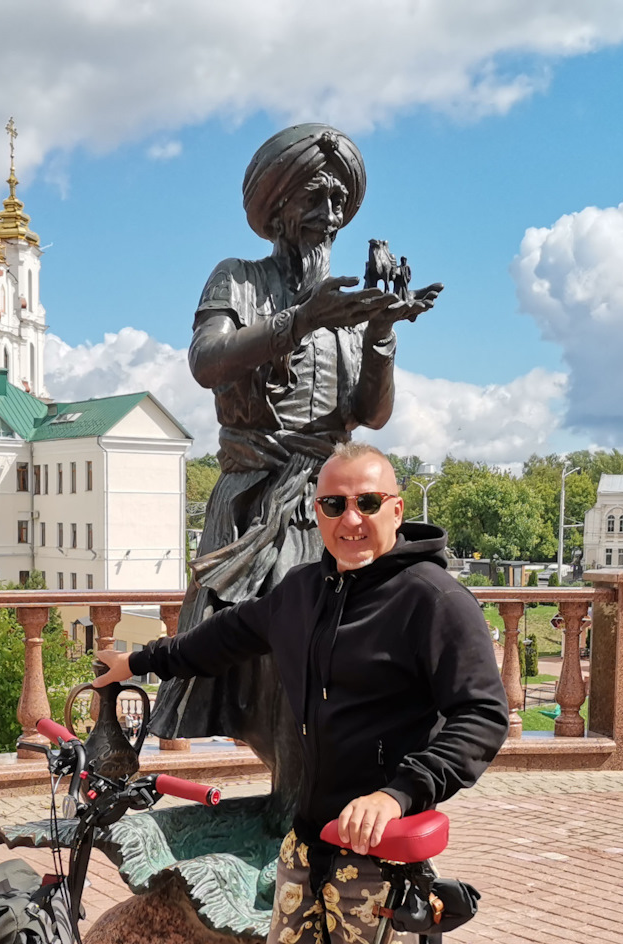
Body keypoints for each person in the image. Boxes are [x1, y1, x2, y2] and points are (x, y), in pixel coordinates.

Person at [93, 442, 508, 944]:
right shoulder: (303, 593)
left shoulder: (433, 600)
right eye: (333, 506)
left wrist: (397, 792)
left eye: (366, 503)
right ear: (315, 514)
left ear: (396, 506)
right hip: (307, 848)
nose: (350, 520)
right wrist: (134, 662)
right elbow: (219, 641)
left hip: (380, 855)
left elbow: (480, 718)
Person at [153, 124, 439, 806]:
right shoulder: (239, 279)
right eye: (315, 195)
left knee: (380, 641)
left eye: (340, 198)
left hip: (333, 501)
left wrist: (379, 333)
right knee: (292, 643)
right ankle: (297, 804)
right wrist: (303, 320)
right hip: (262, 500)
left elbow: (369, 415)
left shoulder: (344, 307)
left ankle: (331, 796)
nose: (331, 213)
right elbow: (206, 361)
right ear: (278, 206)